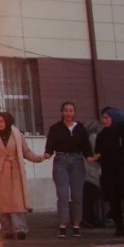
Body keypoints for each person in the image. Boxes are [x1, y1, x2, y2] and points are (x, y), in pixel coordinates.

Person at [89, 107, 124, 237]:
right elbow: (100, 152)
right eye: (103, 118)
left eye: (107, 118)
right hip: (109, 170)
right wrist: (97, 157)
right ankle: (119, 226)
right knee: (113, 198)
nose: (104, 121)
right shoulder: (103, 134)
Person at [44, 101, 91, 238]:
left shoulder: (80, 128)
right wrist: (47, 153)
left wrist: (89, 156)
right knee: (63, 195)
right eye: (66, 110)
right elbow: (50, 145)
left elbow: (86, 146)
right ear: (62, 112)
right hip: (61, 161)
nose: (68, 113)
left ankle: (76, 225)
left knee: (77, 195)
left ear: (74, 113)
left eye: (71, 110)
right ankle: (62, 225)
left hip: (77, 161)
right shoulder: (55, 128)